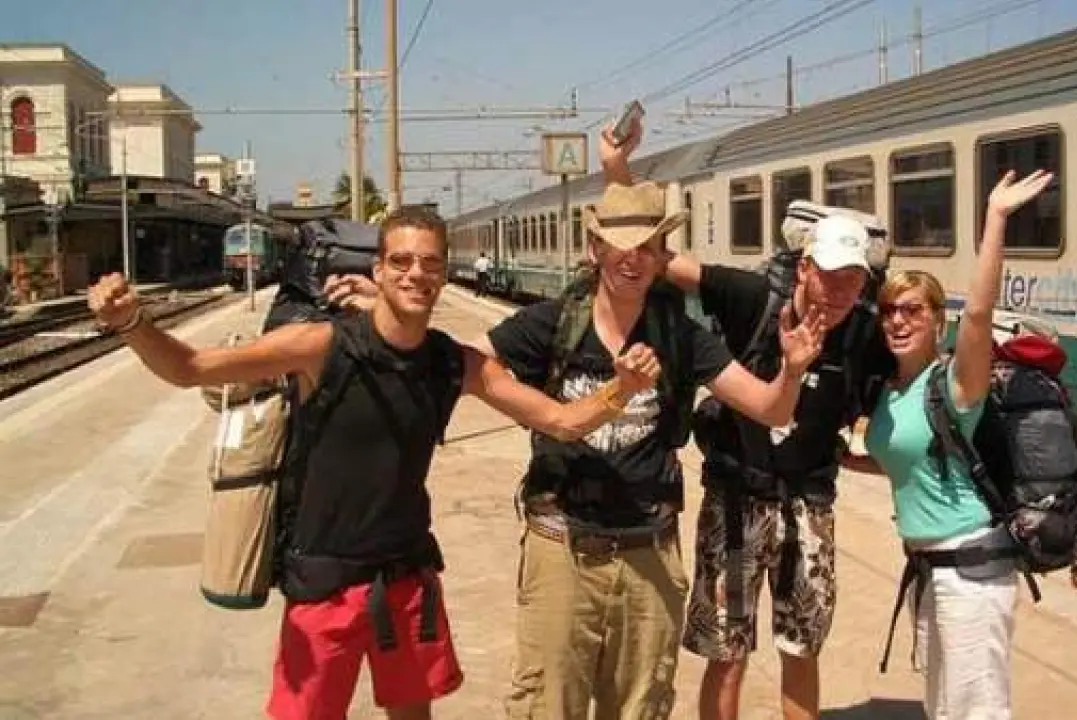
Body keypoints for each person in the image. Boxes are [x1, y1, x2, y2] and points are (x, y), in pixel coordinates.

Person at [87, 206, 664, 720]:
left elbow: (560, 421)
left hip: (406, 578)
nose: (416, 274)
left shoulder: (453, 363)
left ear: (444, 273)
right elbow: (190, 368)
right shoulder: (321, 346)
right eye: (402, 261)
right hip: (324, 582)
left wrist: (622, 389)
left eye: (430, 263)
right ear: (380, 271)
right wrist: (134, 324)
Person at [473, 179, 827, 719]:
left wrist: (792, 371)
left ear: (663, 256)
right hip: (563, 548)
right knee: (549, 705)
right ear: (595, 248)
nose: (633, 258)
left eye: (647, 246)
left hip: (648, 552)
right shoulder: (554, 323)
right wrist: (545, 413)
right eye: (621, 245)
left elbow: (771, 409)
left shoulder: (680, 335)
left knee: (641, 707)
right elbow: (469, 364)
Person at [600, 121, 894, 720]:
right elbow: (653, 255)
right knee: (726, 651)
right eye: (829, 275)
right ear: (804, 268)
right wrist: (617, 172)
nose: (840, 291)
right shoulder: (751, 298)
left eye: (853, 279)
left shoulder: (865, 334)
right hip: (734, 497)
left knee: (802, 647)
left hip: (809, 503)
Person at [846, 169, 1054, 720]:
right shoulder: (892, 392)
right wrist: (852, 460)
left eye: (914, 310)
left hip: (971, 570)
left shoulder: (957, 383)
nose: (898, 321)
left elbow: (979, 313)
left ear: (938, 321)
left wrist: (996, 218)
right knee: (942, 708)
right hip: (929, 568)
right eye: (890, 311)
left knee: (973, 711)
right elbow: (918, 460)